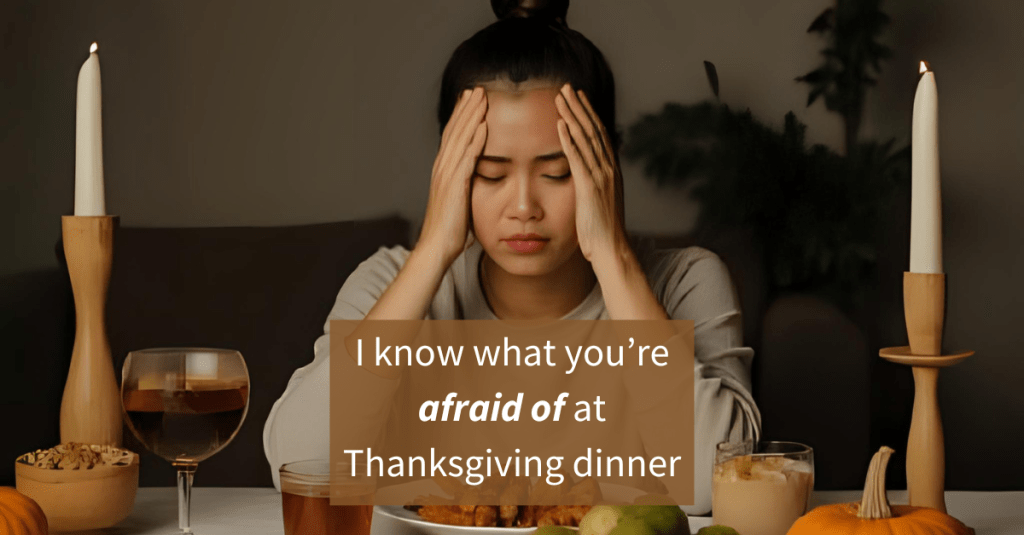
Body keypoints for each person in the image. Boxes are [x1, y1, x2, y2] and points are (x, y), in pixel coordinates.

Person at [263, 0, 760, 515]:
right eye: (490, 174)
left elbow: (717, 487)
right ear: (448, 170)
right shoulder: (391, 280)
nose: (523, 208)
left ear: (606, 164)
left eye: (557, 173)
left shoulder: (687, 282)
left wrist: (613, 257)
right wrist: (432, 251)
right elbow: (301, 467)